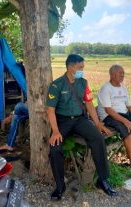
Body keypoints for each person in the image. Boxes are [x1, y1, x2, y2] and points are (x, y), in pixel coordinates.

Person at [46, 54, 117, 201]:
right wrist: (56, 131)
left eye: (82, 67)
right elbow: (50, 110)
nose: (82, 70)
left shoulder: (83, 83)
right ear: (70, 67)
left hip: (80, 120)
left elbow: (89, 103)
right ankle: (60, 186)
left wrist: (97, 123)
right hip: (62, 121)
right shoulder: (57, 85)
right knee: (55, 148)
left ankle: (102, 180)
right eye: (80, 67)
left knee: (98, 138)